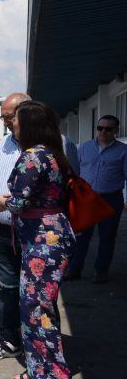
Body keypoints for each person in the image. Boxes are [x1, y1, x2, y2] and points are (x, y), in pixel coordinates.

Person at [0, 93, 81, 361]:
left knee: (40, 297)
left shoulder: (50, 148)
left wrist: (7, 202)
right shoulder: (4, 145)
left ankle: (45, 356)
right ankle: (12, 339)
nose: (7, 124)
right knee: (11, 289)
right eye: (4, 118)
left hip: (38, 235)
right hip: (5, 230)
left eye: (11, 118)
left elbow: (70, 185)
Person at [66, 115, 127, 284]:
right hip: (87, 199)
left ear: (116, 130)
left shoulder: (123, 151)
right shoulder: (85, 147)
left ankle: (101, 271)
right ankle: (74, 269)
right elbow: (75, 171)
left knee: (107, 237)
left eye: (108, 129)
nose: (103, 132)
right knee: (81, 237)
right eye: (100, 128)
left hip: (111, 199)